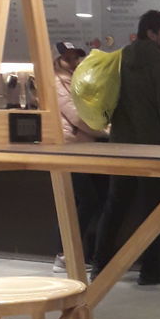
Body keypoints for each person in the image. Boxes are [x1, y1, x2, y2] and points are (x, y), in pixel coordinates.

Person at [92, 10, 160, 285]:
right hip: (153, 150)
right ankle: (151, 268)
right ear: (151, 35)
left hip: (121, 147)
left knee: (116, 206)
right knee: (154, 211)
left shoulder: (120, 60)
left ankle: (100, 265)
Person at [51, 42, 108, 272]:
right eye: (68, 58)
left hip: (83, 148)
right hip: (68, 148)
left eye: (76, 58)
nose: (74, 63)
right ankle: (64, 255)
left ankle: (71, 254)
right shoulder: (56, 83)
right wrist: (105, 130)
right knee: (87, 200)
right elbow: (77, 117)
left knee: (83, 201)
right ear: (58, 60)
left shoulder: (77, 81)